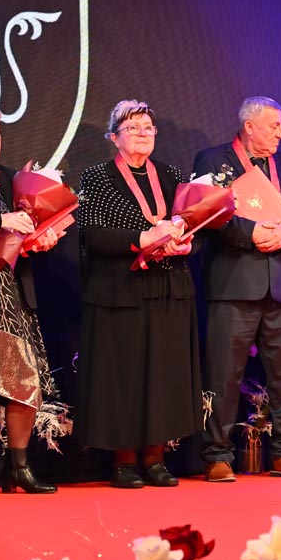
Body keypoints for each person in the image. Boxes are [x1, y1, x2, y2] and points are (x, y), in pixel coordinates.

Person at [194, 96, 281, 482]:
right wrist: (250, 233)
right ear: (249, 126)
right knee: (223, 373)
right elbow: (207, 211)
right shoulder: (212, 160)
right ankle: (217, 454)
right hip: (233, 284)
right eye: (274, 126)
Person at [77, 100, 202, 489]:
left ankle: (155, 458)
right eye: (132, 127)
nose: (143, 133)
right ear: (113, 137)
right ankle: (123, 461)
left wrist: (186, 244)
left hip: (168, 288)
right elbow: (92, 235)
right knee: (124, 377)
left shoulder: (171, 174)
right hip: (120, 290)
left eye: (148, 127)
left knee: (163, 375)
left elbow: (193, 225)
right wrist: (142, 239)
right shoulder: (97, 177)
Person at [0, 104, 65, 495]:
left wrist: (40, 238)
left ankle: (17, 466)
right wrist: (0, 220)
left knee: (23, 380)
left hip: (10, 293)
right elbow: (4, 225)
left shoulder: (10, 179)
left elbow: (25, 230)